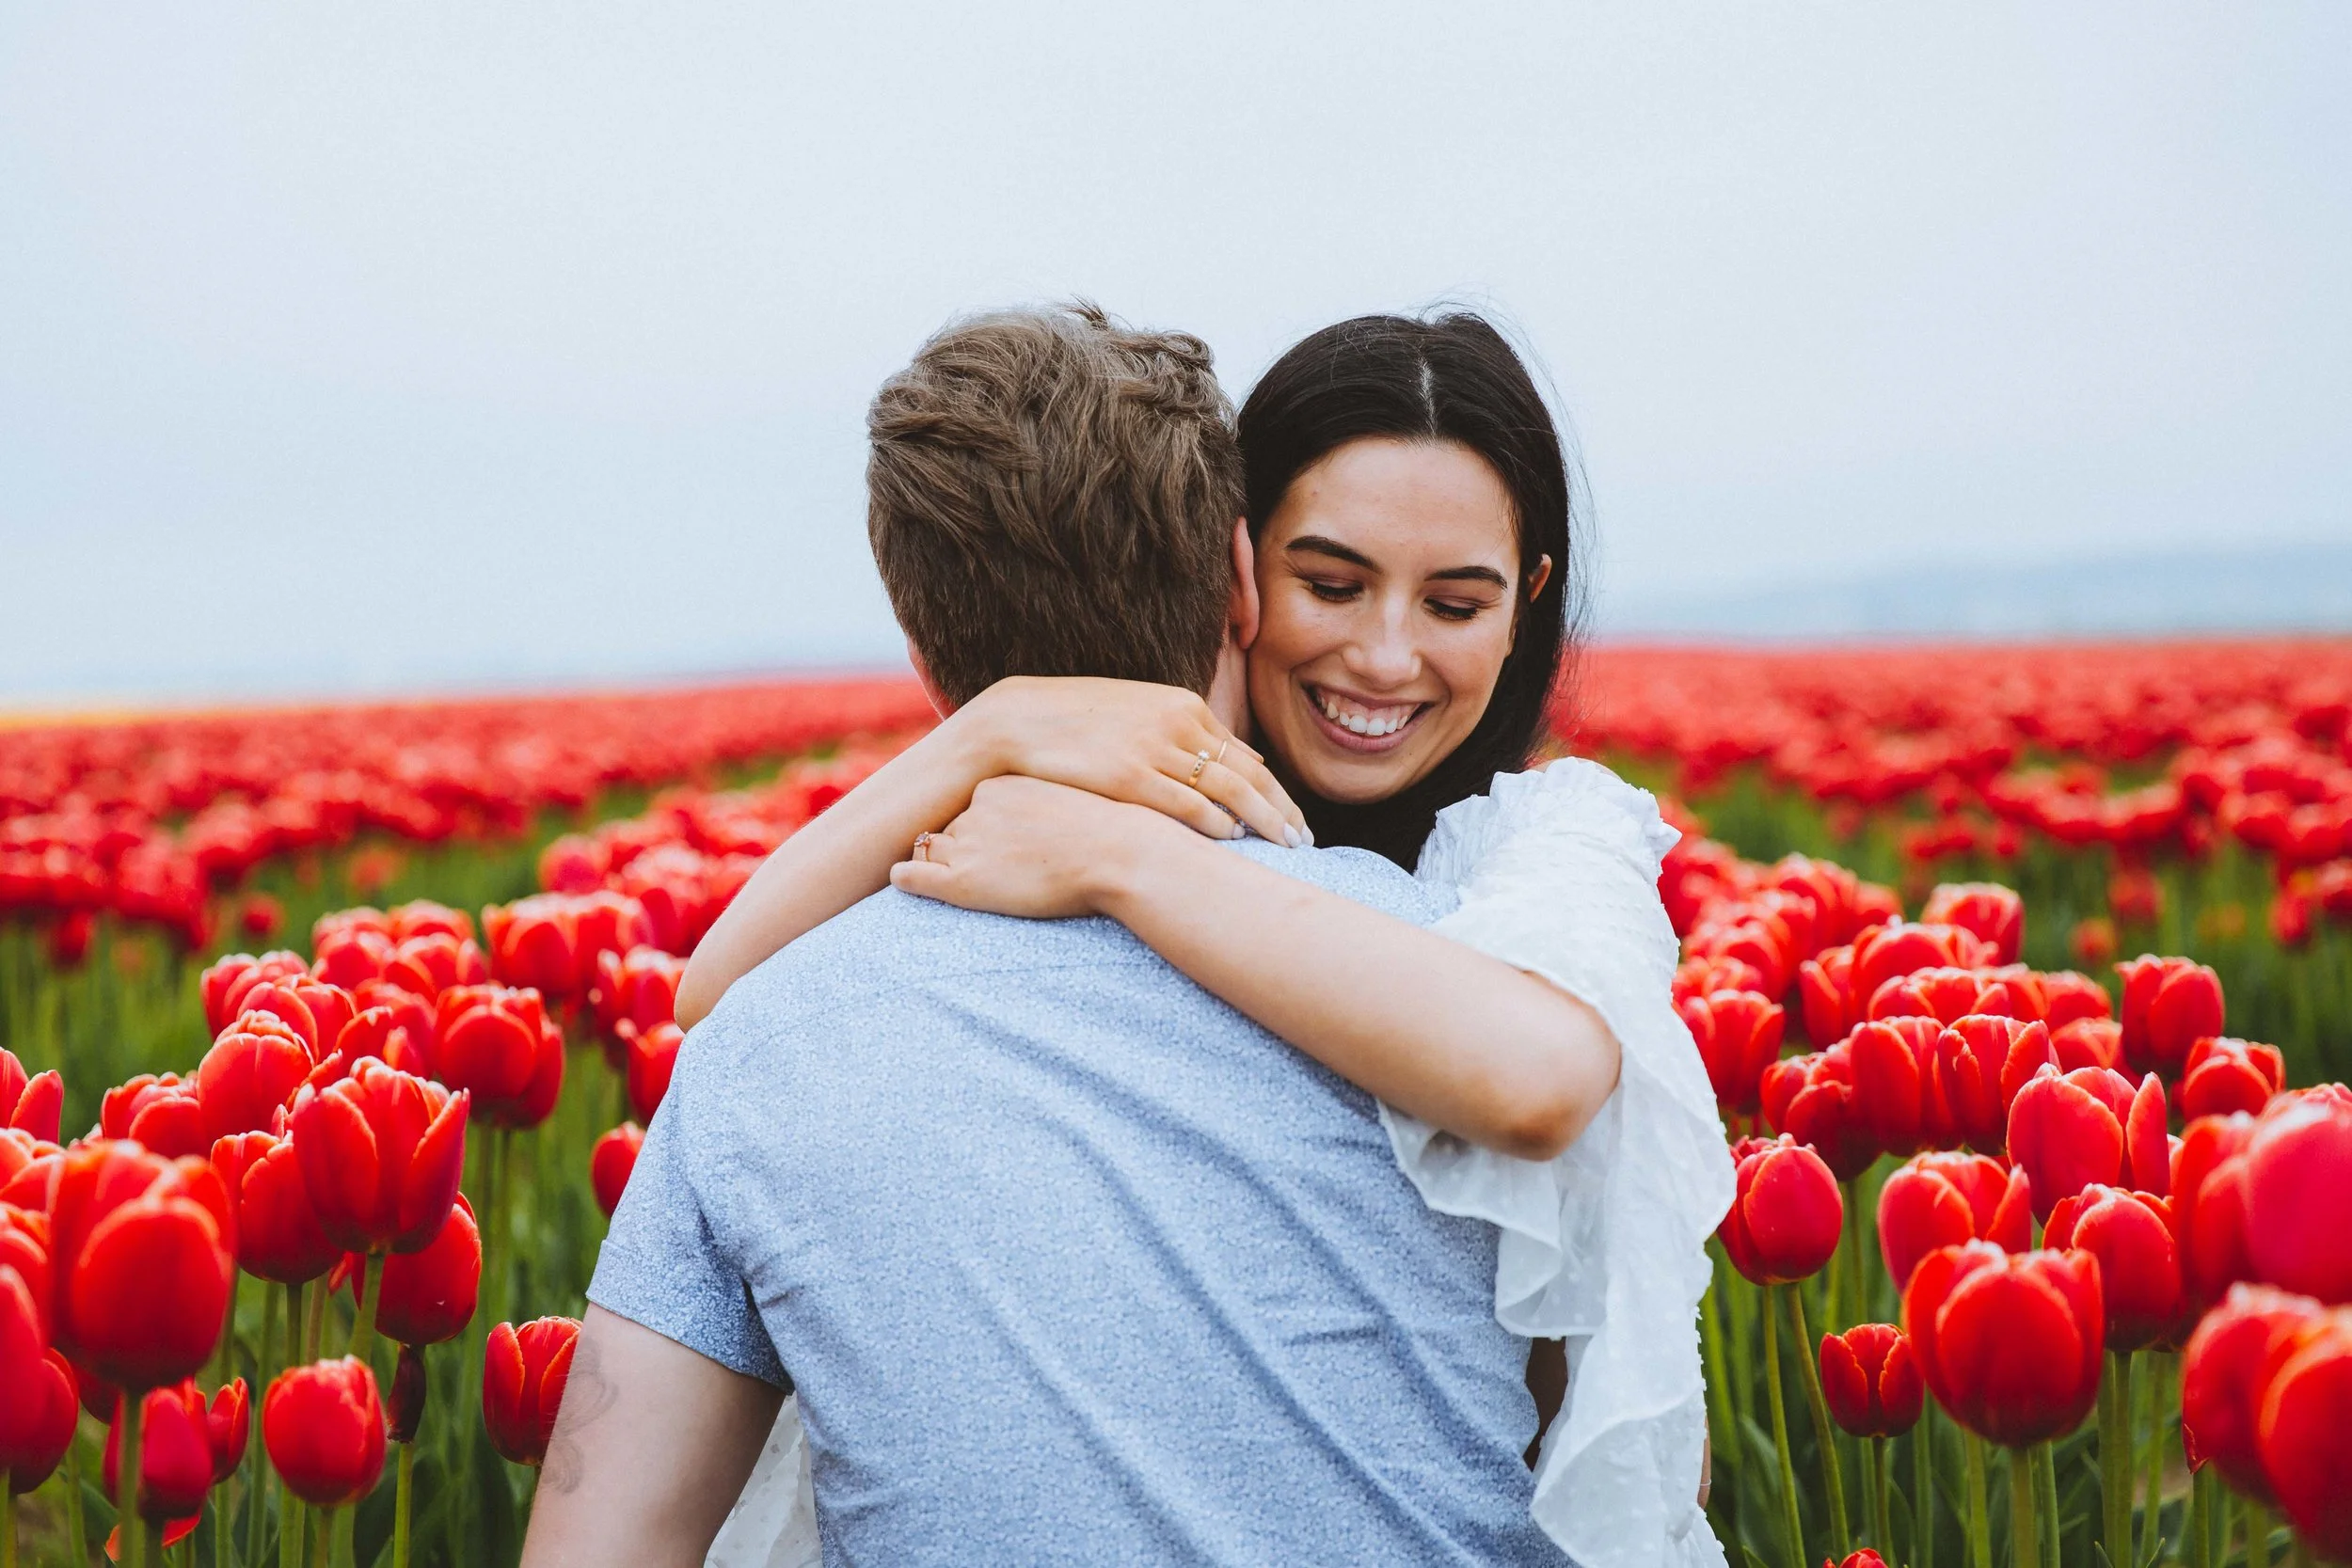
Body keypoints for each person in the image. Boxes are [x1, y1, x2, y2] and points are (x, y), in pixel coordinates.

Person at [528, 305, 1585, 1567]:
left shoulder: (764, 1037)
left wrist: (1006, 768)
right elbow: (1608, 1457)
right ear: (1241, 579)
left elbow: (598, 1548)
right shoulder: (1462, 972)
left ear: (921, 649)